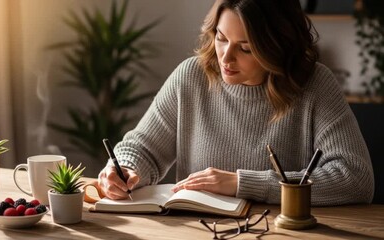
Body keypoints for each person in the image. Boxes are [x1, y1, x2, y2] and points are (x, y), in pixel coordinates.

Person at [97, 0, 374, 206]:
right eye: (221, 38)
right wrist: (123, 167)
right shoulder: (191, 76)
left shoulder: (314, 84)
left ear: (277, 47)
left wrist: (243, 184)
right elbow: (143, 148)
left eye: (245, 48)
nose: (225, 58)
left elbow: (356, 178)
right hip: (199, 231)